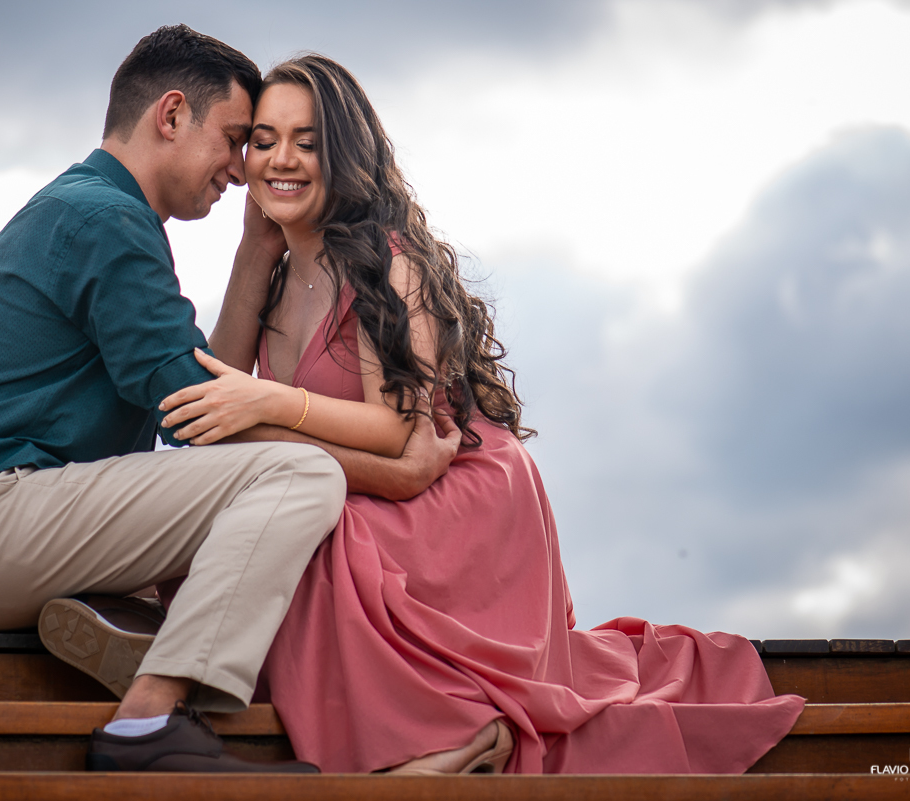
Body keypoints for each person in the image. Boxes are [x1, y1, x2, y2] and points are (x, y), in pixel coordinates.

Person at [155, 54, 807, 774]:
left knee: (320, 538)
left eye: (307, 142)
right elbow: (216, 393)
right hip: (362, 475)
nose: (282, 159)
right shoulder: (275, 273)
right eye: (265, 140)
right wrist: (251, 251)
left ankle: (453, 731)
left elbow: (399, 428)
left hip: (459, 491)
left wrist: (270, 402)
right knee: (261, 517)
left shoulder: (385, 260)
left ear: (344, 154)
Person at [0, 28, 459, 774]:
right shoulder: (107, 223)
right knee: (298, 477)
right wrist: (399, 472)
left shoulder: (88, 209)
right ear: (172, 114)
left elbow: (205, 392)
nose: (242, 171)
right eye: (237, 139)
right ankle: (147, 721)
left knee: (230, 546)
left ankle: (131, 634)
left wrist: (254, 249)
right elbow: (203, 417)